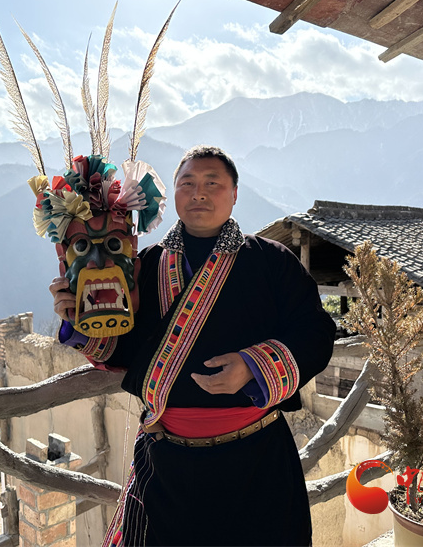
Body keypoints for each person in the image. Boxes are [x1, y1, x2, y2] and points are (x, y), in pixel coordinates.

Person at [51, 145, 336, 547]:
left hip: (256, 458)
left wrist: (253, 366)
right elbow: (127, 351)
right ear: (174, 194)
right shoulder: (145, 265)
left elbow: (316, 332)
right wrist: (80, 320)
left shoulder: (273, 261)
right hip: (167, 462)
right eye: (187, 183)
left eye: (212, 183)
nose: (199, 192)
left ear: (234, 194)